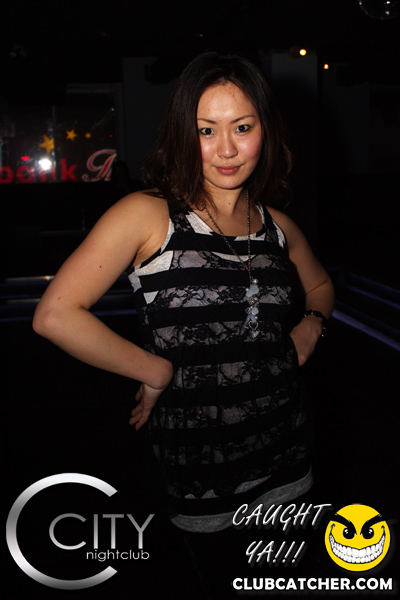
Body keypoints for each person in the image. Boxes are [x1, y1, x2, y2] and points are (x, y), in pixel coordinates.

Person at [33, 51, 335, 595]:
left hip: (289, 458)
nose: (226, 149)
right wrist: (153, 369)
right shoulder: (149, 214)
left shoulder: (278, 227)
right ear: (182, 133)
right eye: (206, 130)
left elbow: (320, 287)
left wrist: (312, 323)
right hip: (202, 475)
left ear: (265, 130)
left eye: (242, 127)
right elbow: (55, 315)